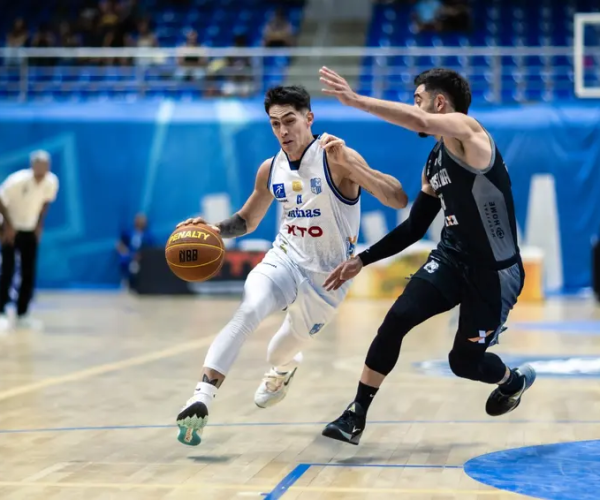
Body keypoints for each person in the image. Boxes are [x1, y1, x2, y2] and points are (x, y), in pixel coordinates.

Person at [174, 85, 408, 446]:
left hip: (328, 277)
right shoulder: (271, 168)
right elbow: (247, 220)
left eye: (289, 121)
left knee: (278, 351)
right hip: (284, 258)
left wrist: (355, 166)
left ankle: (283, 369)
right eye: (274, 124)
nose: (283, 131)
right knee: (249, 309)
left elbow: (397, 197)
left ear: (309, 118)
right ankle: (201, 397)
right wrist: (211, 230)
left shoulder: (335, 156)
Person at [318, 66, 536, 445]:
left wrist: (355, 101)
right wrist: (363, 259)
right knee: (397, 318)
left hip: (495, 272)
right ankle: (355, 414)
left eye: (417, 99)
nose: (413, 107)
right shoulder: (434, 162)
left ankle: (511, 380)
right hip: (451, 258)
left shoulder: (471, 134)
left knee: (463, 363)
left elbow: (418, 119)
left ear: (439, 103)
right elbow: (415, 226)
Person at [0, 150, 59, 333]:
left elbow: (45, 203)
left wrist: (39, 225)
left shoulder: (51, 182)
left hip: (29, 230)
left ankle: (22, 313)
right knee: (7, 269)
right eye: (39, 165)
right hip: (10, 229)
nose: (42, 169)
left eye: (46, 165)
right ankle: (1, 311)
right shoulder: (17, 181)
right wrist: (8, 226)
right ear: (33, 165)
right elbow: (1, 200)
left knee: (28, 270)